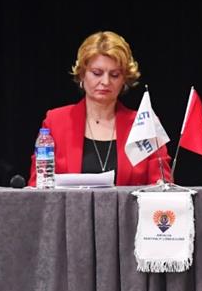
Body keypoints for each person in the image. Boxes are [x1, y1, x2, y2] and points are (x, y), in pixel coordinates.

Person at [28, 31, 172, 186]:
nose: (105, 81)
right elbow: (38, 186)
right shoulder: (56, 121)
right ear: (82, 74)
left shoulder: (145, 124)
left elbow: (161, 186)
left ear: (124, 80)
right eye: (97, 73)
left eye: (114, 75)